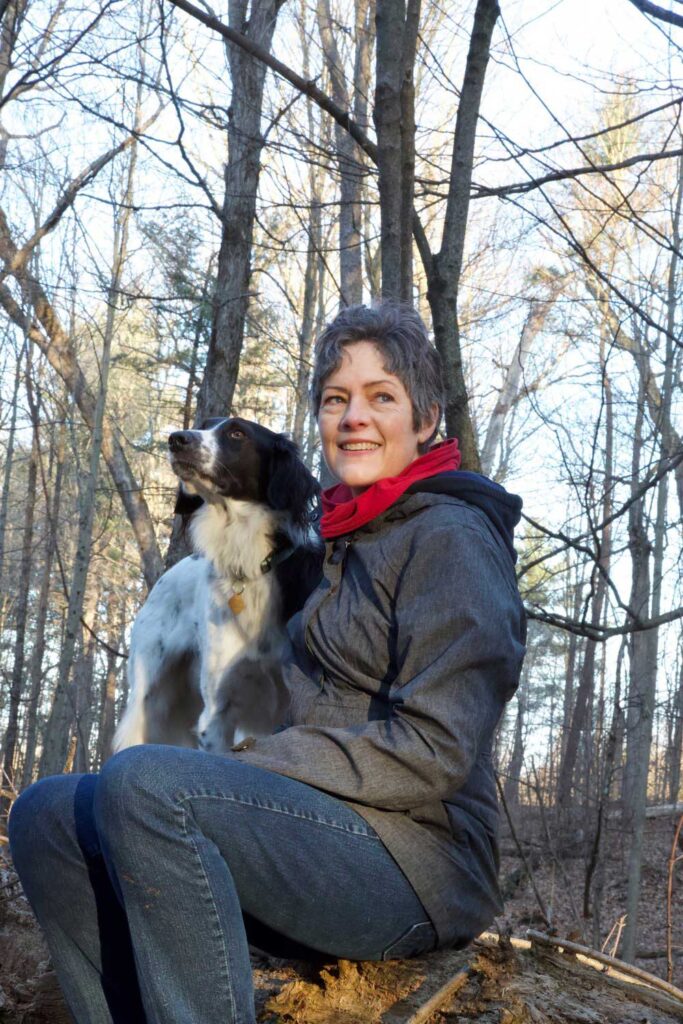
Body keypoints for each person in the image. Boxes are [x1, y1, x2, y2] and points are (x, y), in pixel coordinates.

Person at [9, 302, 526, 1024]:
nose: (354, 416)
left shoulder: (451, 539)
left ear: (426, 417)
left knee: (149, 784)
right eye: (335, 399)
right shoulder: (342, 543)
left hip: (418, 863)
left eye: (382, 397)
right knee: (48, 814)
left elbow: (436, 749)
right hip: (315, 830)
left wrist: (255, 762)